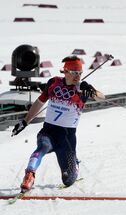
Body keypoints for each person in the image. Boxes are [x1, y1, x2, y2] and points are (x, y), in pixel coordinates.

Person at [11, 55, 105, 193]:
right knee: (42, 147)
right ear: (65, 71)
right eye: (74, 73)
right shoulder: (54, 83)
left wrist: (92, 90)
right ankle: (29, 175)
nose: (77, 77)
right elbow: (39, 102)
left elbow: (102, 98)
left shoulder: (81, 89)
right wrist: (25, 122)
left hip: (67, 139)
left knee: (68, 180)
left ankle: (74, 164)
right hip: (49, 131)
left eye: (80, 73)